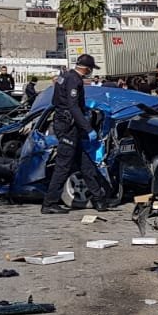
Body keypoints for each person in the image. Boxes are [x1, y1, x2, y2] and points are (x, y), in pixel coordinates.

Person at [41, 54, 112, 215]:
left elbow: (55, 102)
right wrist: (88, 128)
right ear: (86, 68)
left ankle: (99, 199)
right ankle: (49, 203)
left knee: (85, 164)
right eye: (91, 69)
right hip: (68, 128)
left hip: (66, 125)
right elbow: (73, 107)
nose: (90, 72)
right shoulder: (75, 80)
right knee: (63, 166)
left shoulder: (63, 77)